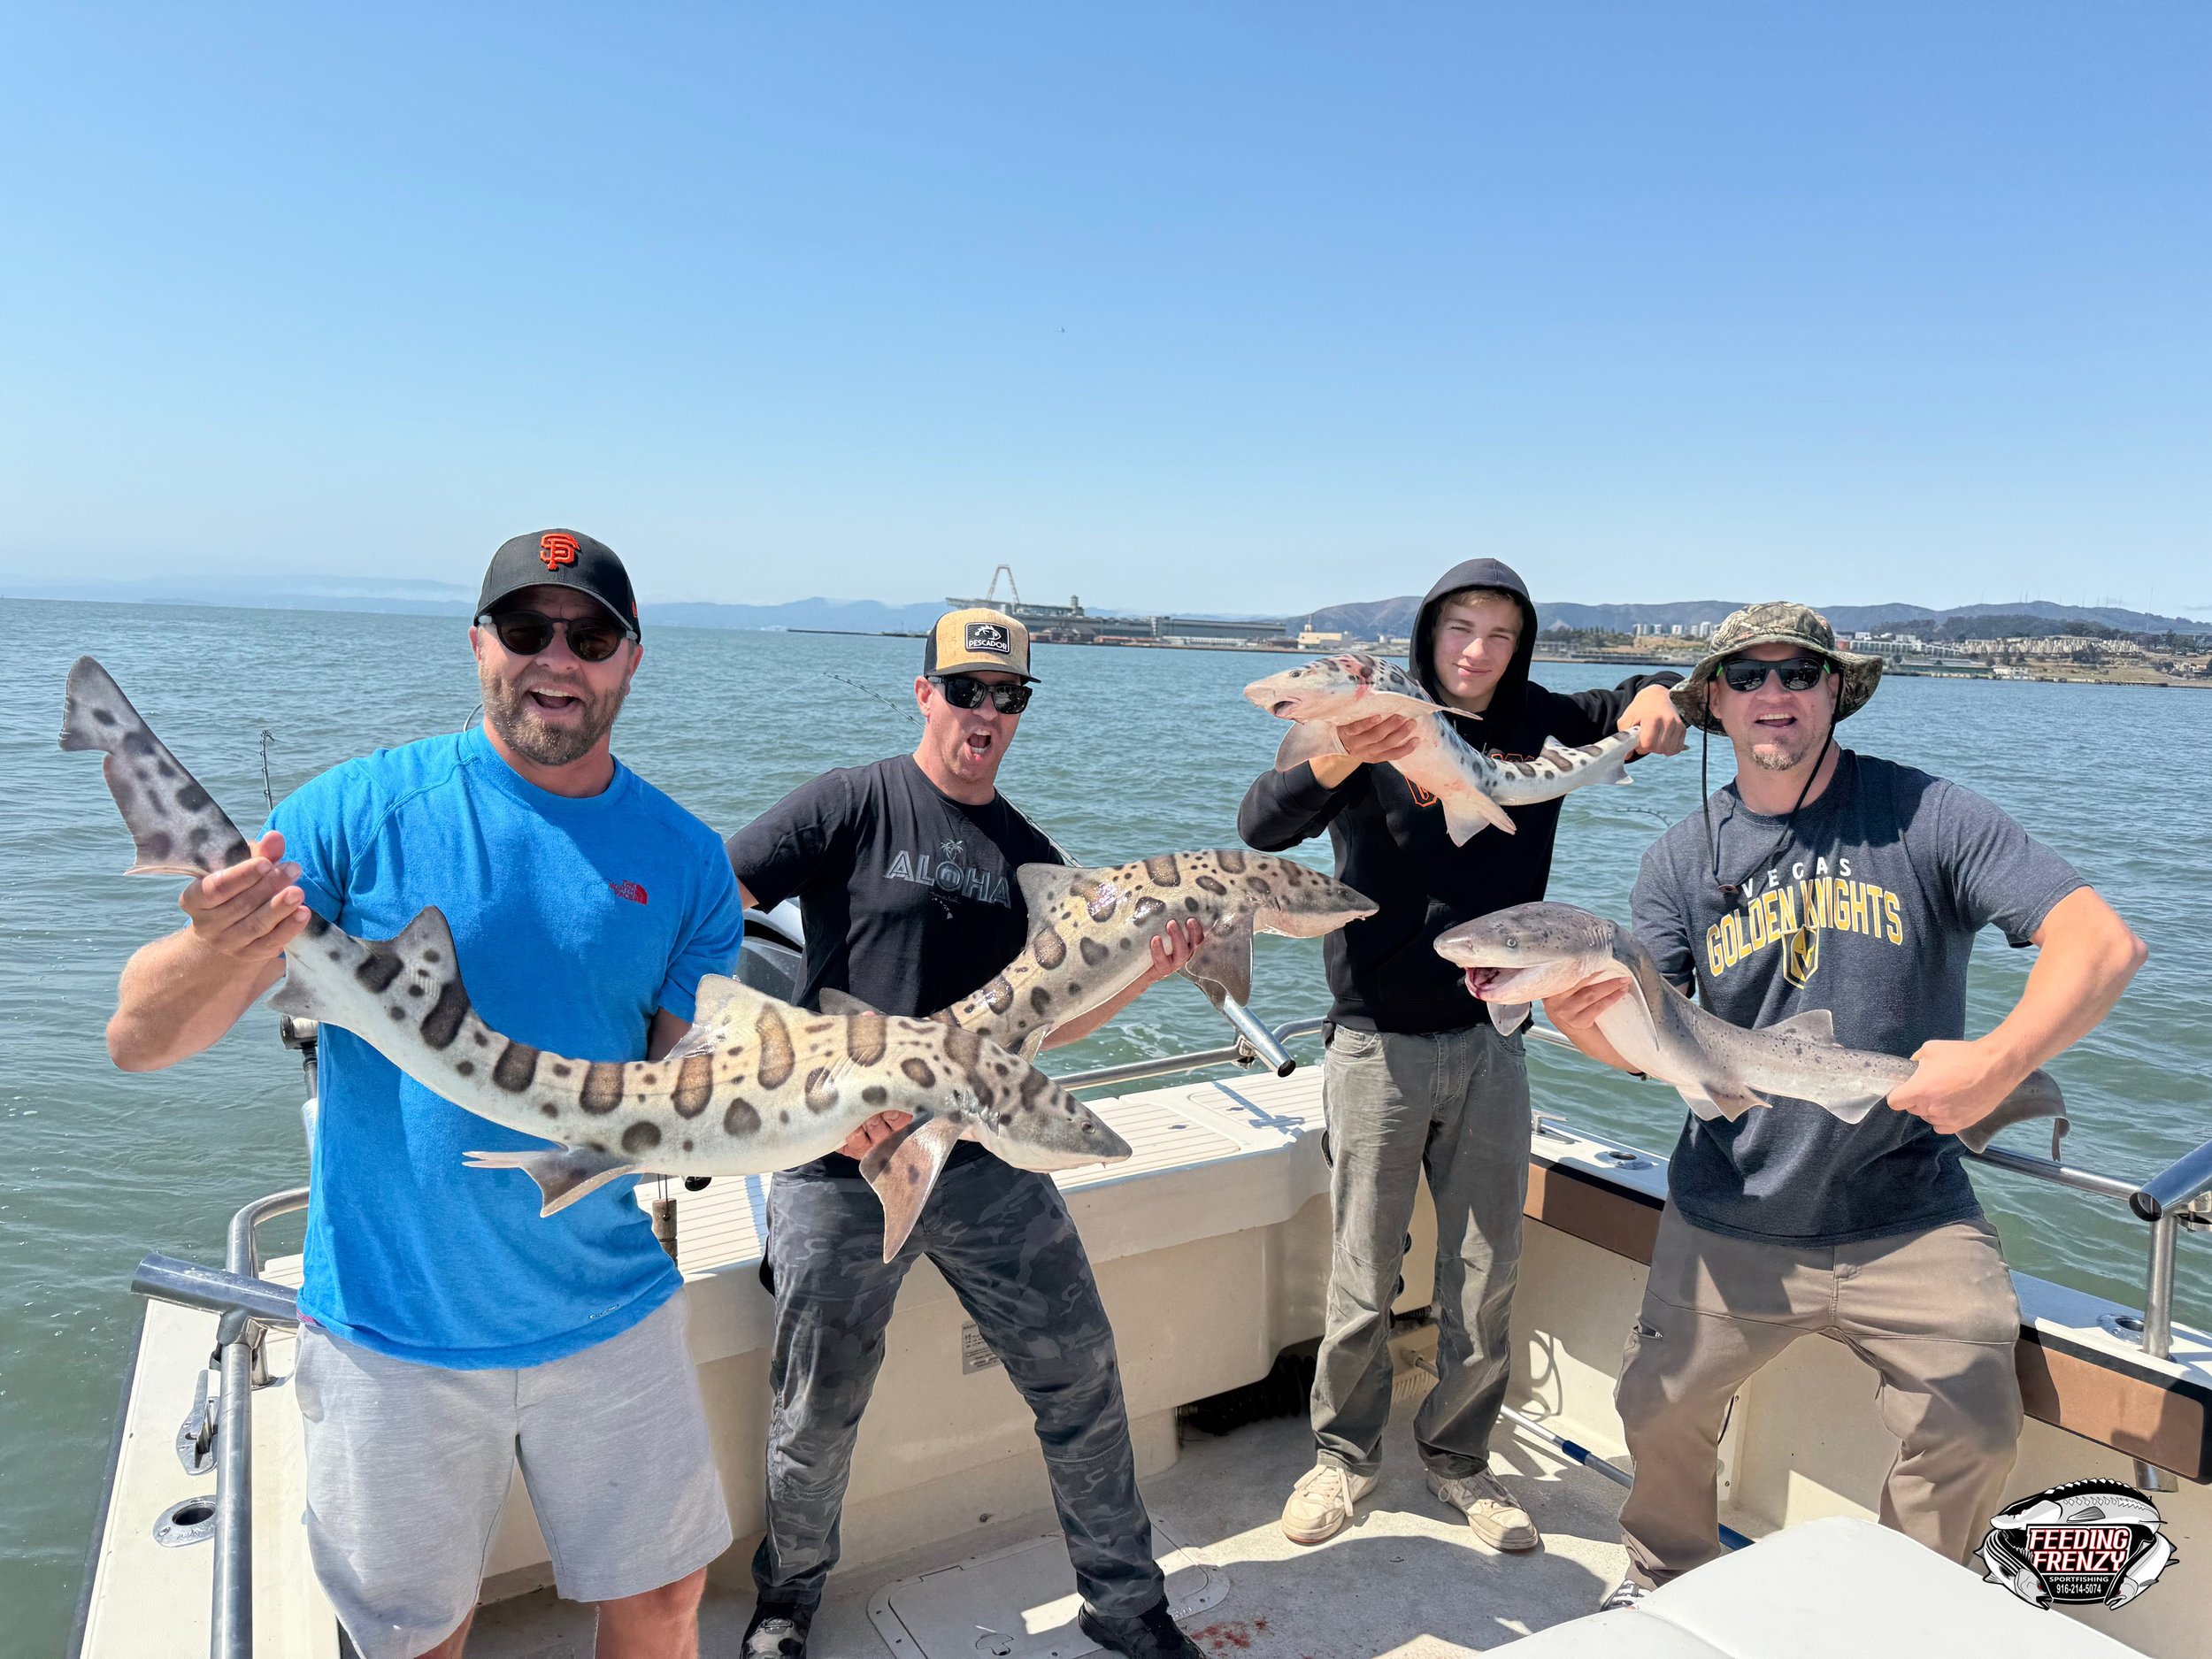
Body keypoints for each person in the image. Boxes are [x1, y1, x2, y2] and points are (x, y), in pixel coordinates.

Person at [105, 531, 746, 1659]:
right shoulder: (358, 813)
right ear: (476, 644)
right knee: (414, 1640)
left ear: (631, 660)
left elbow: (685, 1086)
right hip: (393, 1328)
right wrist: (219, 946)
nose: (557, 659)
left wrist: (841, 1101)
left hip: (608, 1309)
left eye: (589, 636)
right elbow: (140, 1041)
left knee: (664, 1606)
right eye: (524, 629)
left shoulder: (688, 861)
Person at [1541, 603, 2147, 1609]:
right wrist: (1575, 1018)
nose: (1771, 695)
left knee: (1974, 1426)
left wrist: (1996, 1065)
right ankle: (1663, 1583)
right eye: (1746, 677)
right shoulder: (1679, 858)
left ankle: (1902, 1606)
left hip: (1906, 1208)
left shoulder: (1928, 817)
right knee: (1655, 1409)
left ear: (1834, 692)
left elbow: (2103, 944)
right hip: (1730, 1205)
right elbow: (1651, 1058)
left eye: (1796, 674)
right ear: (1715, 704)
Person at [725, 609, 1208, 1659]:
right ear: (923, 692)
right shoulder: (851, 802)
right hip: (839, 1155)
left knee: (1078, 1371)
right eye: (965, 690)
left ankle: (1124, 1604)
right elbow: (712, 906)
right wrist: (805, 1077)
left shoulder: (1031, 856)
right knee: (819, 1400)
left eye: (1009, 696)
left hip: (983, 1157)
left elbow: (1048, 1020)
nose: (984, 713)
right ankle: (787, 1600)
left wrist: (1150, 971)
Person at [1238, 559, 1687, 1552]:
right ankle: (1342, 1460)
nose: (1476, 650)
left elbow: (1649, 699)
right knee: (1364, 1265)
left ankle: (1459, 1462)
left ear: (1518, 643)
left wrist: (1659, 695)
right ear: (1427, 636)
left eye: (1497, 632)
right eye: (1458, 629)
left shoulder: (1541, 718)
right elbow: (1259, 822)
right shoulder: (1358, 720)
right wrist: (1345, 756)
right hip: (1374, 1039)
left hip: (1495, 1036)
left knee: (1484, 1270)